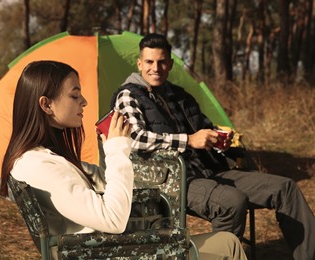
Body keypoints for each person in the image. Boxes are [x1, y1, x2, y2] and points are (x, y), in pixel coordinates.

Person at [0, 60, 247, 260]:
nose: (84, 102)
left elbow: (90, 187)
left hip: (100, 249)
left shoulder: (41, 158)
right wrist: (117, 149)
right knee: (228, 244)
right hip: (108, 251)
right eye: (75, 96)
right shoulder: (40, 166)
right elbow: (112, 219)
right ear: (46, 105)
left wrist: (113, 153)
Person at [110, 33, 315, 260]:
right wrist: (188, 140)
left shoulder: (180, 95)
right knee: (231, 201)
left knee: (285, 188)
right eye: (149, 62)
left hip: (211, 170)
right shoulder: (129, 95)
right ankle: (224, 256)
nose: (155, 68)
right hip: (172, 180)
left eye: (161, 61)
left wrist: (219, 141)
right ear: (140, 64)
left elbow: (203, 128)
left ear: (170, 63)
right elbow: (135, 139)